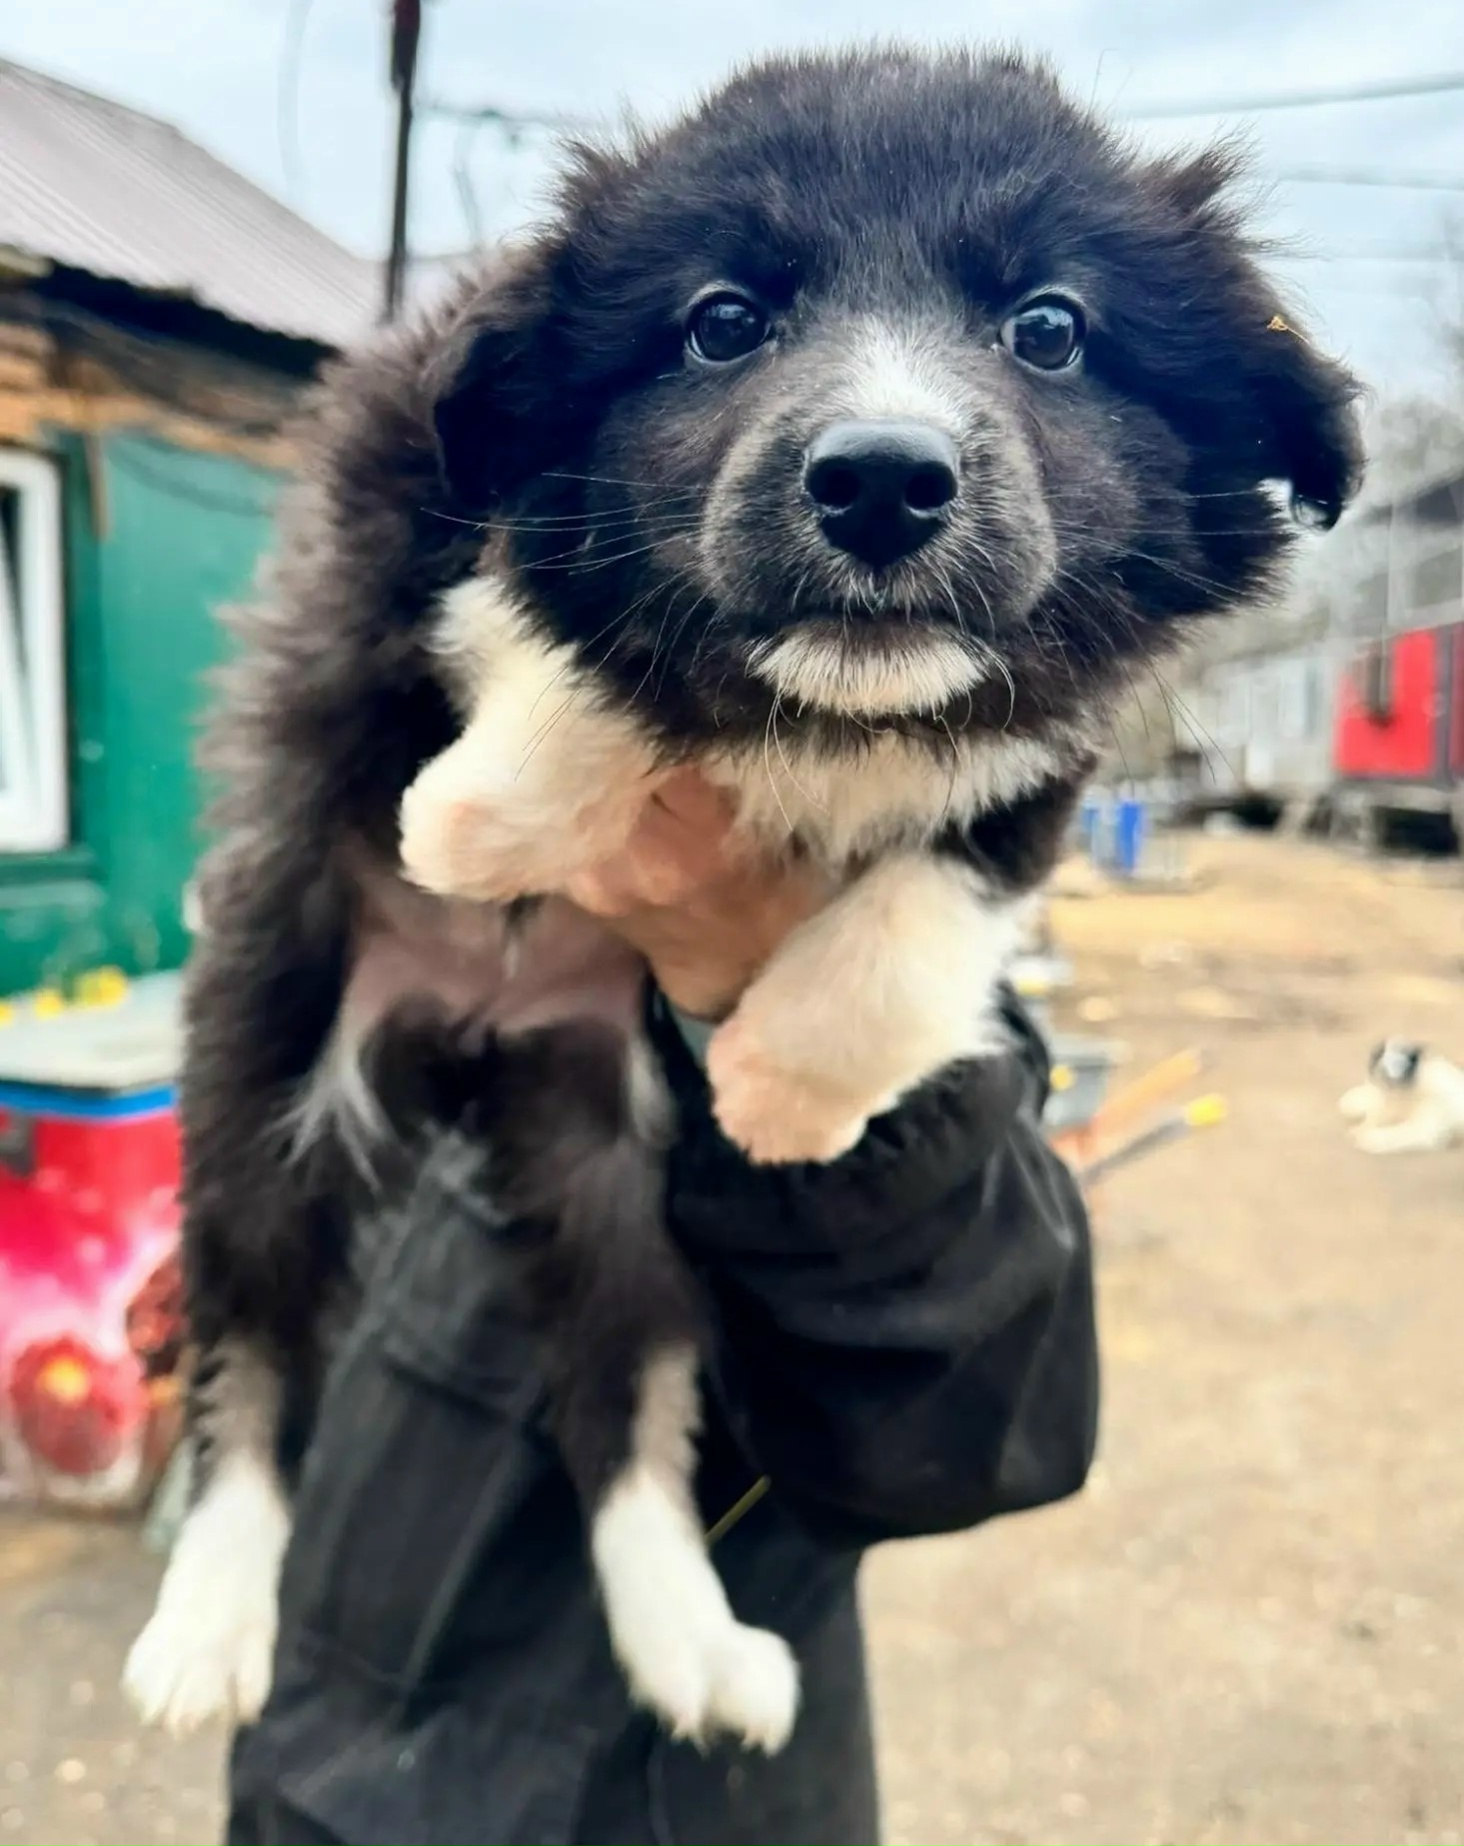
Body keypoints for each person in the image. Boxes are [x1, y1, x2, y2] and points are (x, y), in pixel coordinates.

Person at [225, 774, 1098, 1846]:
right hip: (306, 1759)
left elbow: (980, 1422)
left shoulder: (886, 941)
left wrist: (762, 979)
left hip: (633, 1797)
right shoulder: (454, 914)